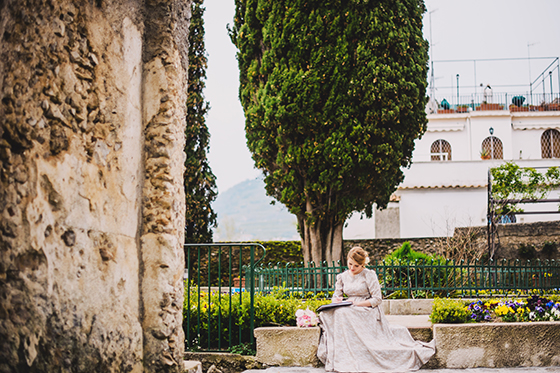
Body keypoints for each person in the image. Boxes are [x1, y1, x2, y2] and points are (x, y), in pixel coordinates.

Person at [317, 247, 435, 373]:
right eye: (350, 264)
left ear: (363, 264)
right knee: (329, 313)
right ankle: (341, 348)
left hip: (367, 308)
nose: (352, 268)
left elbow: (377, 299)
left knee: (343, 313)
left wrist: (357, 304)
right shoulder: (342, 277)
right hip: (349, 306)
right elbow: (336, 294)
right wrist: (336, 300)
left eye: (356, 266)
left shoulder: (369, 275)